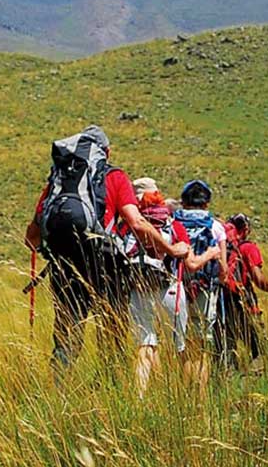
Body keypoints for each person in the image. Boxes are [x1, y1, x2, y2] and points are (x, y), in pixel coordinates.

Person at [24, 127, 183, 373]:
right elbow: (138, 223)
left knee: (68, 338)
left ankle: (58, 393)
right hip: (105, 266)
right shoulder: (115, 177)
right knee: (111, 336)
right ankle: (111, 390)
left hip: (64, 267)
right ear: (105, 152)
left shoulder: (58, 181)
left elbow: (31, 239)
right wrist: (171, 250)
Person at [122, 178, 190, 394]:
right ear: (158, 195)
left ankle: (140, 395)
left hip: (138, 286)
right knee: (180, 344)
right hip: (169, 286)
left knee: (146, 342)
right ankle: (184, 395)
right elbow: (187, 259)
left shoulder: (127, 224)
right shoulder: (172, 223)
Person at [165, 179, 227, 386]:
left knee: (182, 343)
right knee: (201, 346)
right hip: (205, 290)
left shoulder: (173, 222)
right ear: (206, 203)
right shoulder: (215, 227)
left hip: (176, 287)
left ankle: (183, 392)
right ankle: (199, 398)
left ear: (183, 201)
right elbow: (224, 271)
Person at [220, 213, 268, 371]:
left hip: (220, 302)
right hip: (243, 301)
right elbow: (258, 278)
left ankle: (228, 383)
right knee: (260, 348)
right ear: (246, 229)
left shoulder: (220, 245)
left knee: (226, 350)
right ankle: (255, 383)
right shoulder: (248, 248)